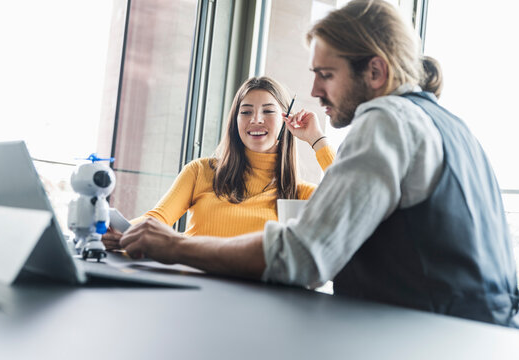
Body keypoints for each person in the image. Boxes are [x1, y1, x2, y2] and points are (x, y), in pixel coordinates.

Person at [117, 0, 519, 327]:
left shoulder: (387, 120)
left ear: (375, 71)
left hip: (429, 339)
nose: (314, 90)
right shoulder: (452, 125)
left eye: (326, 74)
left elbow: (303, 258)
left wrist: (174, 245)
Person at [102, 76, 335, 249]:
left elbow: (353, 192)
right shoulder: (200, 171)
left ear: (285, 120)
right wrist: (120, 232)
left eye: (268, 111)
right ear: (235, 121)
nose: (255, 120)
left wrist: (317, 140)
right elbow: (158, 218)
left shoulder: (300, 194)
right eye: (245, 112)